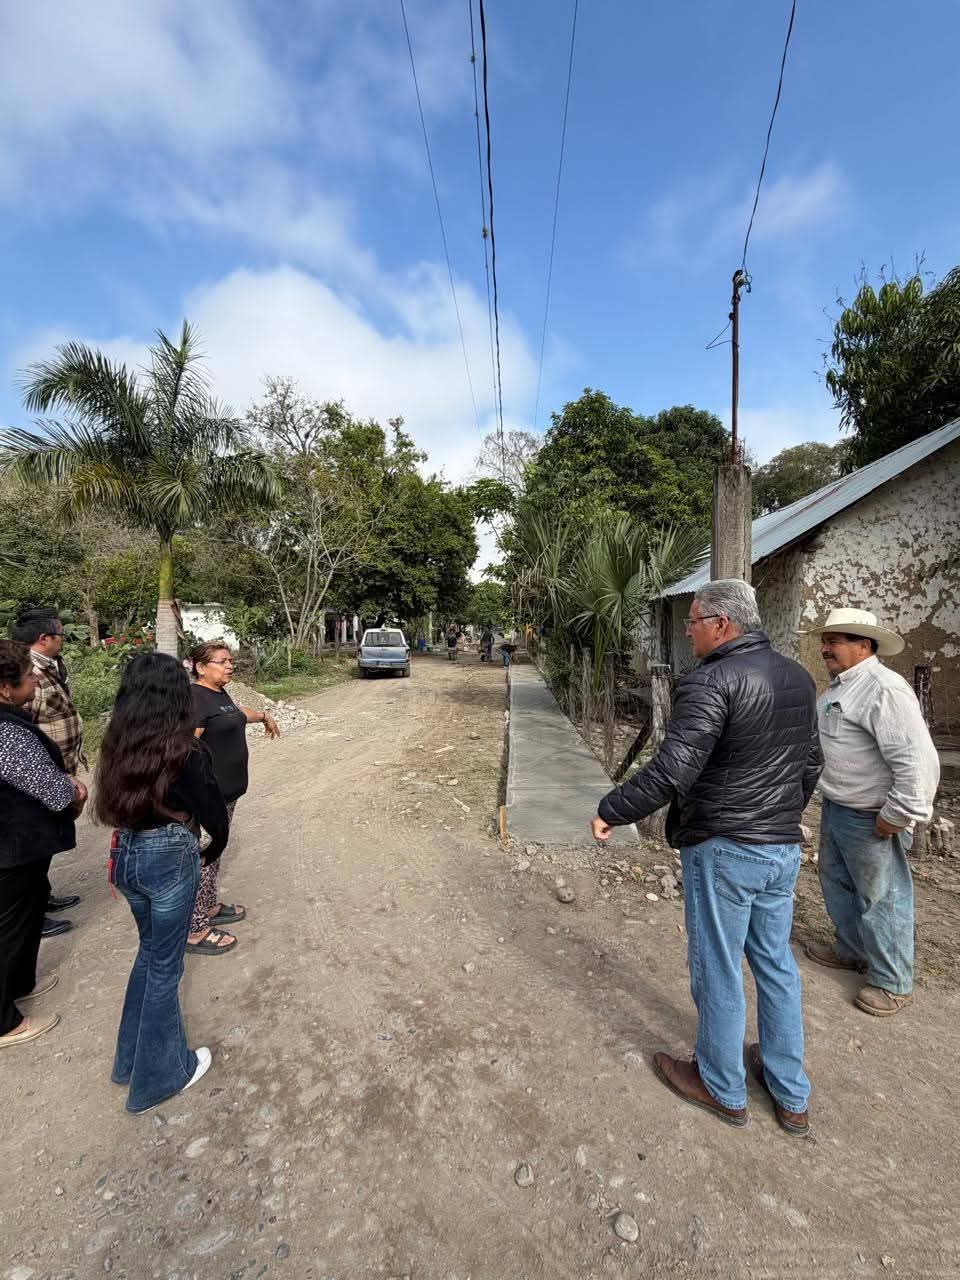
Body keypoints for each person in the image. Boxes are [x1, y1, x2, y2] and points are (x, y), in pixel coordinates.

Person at [592, 580, 822, 1137]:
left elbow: (673, 770)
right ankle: (790, 1093)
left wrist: (611, 808)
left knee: (717, 967)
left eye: (693, 621)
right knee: (775, 965)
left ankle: (721, 1085)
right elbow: (811, 763)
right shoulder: (797, 676)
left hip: (725, 848)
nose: (687, 630)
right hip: (780, 847)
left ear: (721, 624)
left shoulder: (711, 682)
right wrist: (780, 817)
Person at [95, 652, 229, 1112]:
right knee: (166, 968)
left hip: (126, 855)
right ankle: (160, 1076)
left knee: (149, 956)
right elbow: (213, 812)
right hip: (168, 854)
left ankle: (129, 1061)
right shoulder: (182, 749)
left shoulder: (117, 742)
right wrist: (213, 848)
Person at [802, 607, 940, 1017]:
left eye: (836, 641)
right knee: (837, 882)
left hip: (873, 815)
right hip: (840, 806)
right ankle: (853, 950)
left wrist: (900, 813)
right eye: (825, 641)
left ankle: (893, 981)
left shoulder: (884, 689)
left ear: (864, 646)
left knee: (883, 897)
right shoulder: (842, 688)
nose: (826, 648)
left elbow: (917, 759)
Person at [0, 641, 86, 1047]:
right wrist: (76, 789)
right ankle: (5, 1022)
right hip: (11, 849)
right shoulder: (6, 734)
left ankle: (19, 984)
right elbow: (53, 793)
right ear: (5, 688)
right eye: (28, 675)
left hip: (17, 847)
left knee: (22, 919)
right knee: (9, 928)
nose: (35, 678)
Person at [186, 642, 280, 955]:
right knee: (204, 857)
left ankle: (209, 906)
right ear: (201, 666)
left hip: (227, 794)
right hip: (207, 797)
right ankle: (195, 927)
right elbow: (184, 750)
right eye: (222, 662)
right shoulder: (195, 698)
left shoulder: (218, 694)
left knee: (215, 852)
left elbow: (236, 713)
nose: (230, 666)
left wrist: (264, 715)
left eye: (231, 661)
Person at [11, 608, 85, 938]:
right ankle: (31, 913)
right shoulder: (25, 674)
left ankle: (43, 897)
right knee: (32, 842)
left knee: (45, 841)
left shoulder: (49, 667)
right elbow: (20, 730)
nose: (63, 640)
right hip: (37, 777)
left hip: (55, 770)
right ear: (45, 639)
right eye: (60, 635)